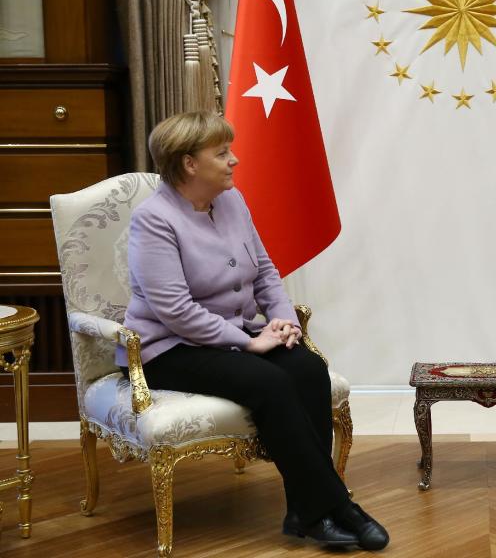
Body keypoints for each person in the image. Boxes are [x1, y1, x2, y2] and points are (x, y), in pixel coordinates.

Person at [122, 111, 388, 551]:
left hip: (237, 333)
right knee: (269, 381)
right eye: (222, 153)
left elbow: (264, 270)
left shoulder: (232, 201)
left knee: (306, 367)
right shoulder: (154, 220)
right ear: (189, 164)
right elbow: (174, 310)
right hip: (170, 348)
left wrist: (281, 320)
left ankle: (303, 511)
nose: (235, 161)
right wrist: (248, 341)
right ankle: (335, 508)